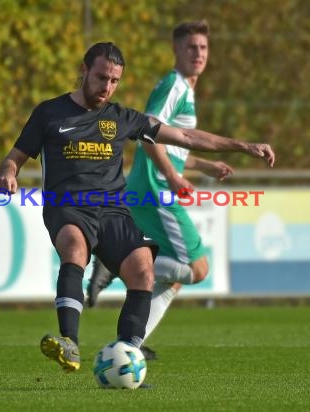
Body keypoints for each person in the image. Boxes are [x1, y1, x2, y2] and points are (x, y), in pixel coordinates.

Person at [0, 41, 275, 373]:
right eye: (101, 78)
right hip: (68, 207)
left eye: (114, 81)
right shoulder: (49, 113)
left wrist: (243, 146)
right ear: (84, 70)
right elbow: (14, 159)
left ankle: (126, 359)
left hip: (114, 211)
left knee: (144, 269)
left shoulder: (121, 117)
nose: (107, 87)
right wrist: (7, 174)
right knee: (74, 249)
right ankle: (69, 343)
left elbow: (184, 137)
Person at [87, 20, 228, 360]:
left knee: (174, 278)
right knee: (198, 269)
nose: (198, 53)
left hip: (150, 186)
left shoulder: (185, 90)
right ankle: (117, 264)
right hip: (156, 189)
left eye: (203, 48)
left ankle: (129, 344)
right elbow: (148, 133)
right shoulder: (175, 85)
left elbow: (173, 146)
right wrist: (172, 176)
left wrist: (203, 166)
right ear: (176, 50)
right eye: (191, 47)